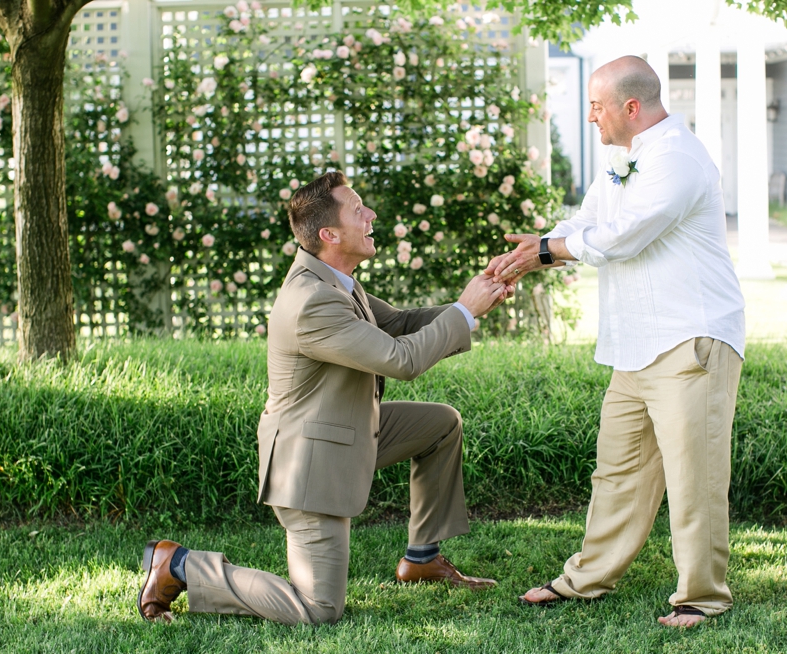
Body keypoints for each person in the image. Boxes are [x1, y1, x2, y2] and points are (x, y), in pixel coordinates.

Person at [138, 171, 511, 625]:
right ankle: (178, 563)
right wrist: (463, 311)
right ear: (329, 233)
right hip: (309, 469)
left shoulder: (334, 279)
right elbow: (400, 359)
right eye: (358, 209)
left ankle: (421, 558)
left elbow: (399, 324)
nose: (371, 214)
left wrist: (478, 301)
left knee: (440, 425)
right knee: (318, 610)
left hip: (342, 430)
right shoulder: (313, 300)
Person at [489, 56, 746, 628]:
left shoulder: (677, 157)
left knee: (694, 478)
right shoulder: (619, 159)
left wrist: (549, 252)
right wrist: (541, 245)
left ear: (631, 107)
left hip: (690, 339)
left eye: (596, 105)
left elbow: (626, 236)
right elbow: (589, 223)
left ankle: (702, 596)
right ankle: (586, 578)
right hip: (636, 345)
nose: (589, 117)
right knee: (618, 470)